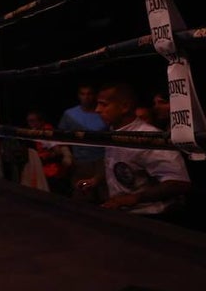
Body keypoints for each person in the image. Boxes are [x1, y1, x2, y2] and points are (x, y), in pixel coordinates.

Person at [73, 82, 191, 216]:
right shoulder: (112, 132)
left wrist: (135, 198)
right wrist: (96, 179)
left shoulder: (149, 138)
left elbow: (179, 183)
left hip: (153, 216)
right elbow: (115, 164)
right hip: (125, 213)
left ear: (125, 106)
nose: (97, 110)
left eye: (103, 104)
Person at [57, 83, 109, 200]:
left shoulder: (103, 112)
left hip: (104, 162)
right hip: (81, 162)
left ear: (95, 95)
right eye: (83, 94)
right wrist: (66, 154)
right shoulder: (70, 114)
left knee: (106, 197)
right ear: (79, 95)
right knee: (82, 197)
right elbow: (60, 136)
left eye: (89, 94)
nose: (86, 97)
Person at [23, 109, 73, 195]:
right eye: (28, 121)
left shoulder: (46, 133)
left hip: (53, 173)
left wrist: (44, 157)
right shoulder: (38, 133)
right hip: (46, 171)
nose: (30, 124)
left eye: (32, 121)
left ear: (41, 121)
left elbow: (58, 151)